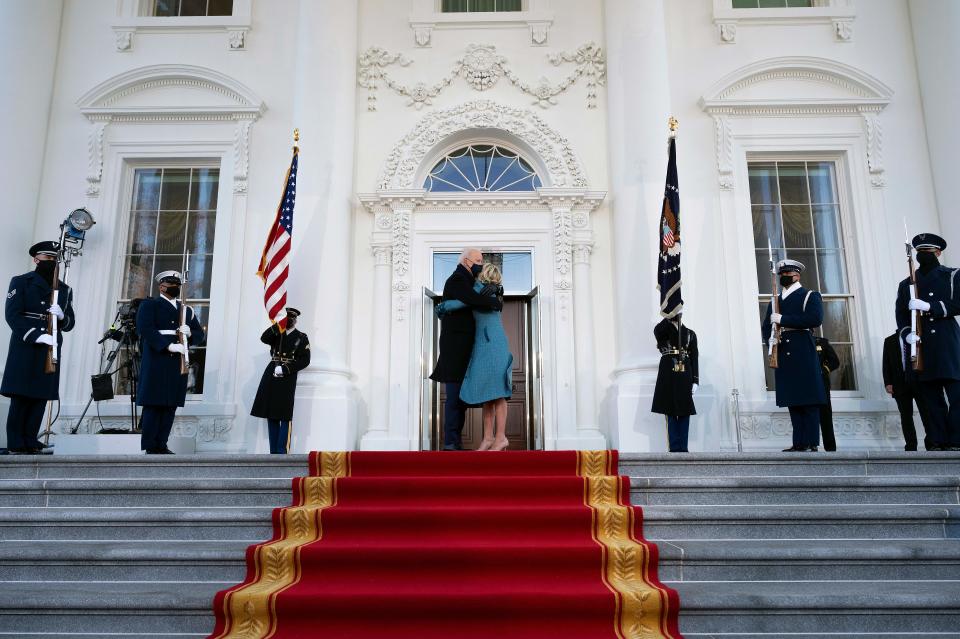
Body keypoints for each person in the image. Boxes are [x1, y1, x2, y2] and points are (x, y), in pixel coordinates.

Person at [1, 241, 75, 454]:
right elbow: (12, 315)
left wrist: (62, 316)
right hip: (26, 344)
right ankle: (16, 441)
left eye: (54, 259)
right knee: (21, 393)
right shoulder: (22, 282)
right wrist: (35, 336)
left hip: (51, 343)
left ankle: (31, 438)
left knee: (41, 393)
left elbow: (70, 322)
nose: (51, 262)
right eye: (47, 258)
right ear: (36, 260)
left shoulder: (64, 289)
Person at [429, 248, 503, 451]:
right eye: (478, 260)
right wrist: (493, 301)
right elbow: (472, 299)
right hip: (455, 348)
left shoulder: (468, 279)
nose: (481, 263)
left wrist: (496, 290)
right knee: (454, 396)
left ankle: (455, 441)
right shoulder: (458, 279)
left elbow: (476, 294)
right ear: (467, 261)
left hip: (465, 348)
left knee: (460, 397)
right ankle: (451, 442)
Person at [895, 232, 960, 450]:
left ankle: (956, 440)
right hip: (922, 345)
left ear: (938, 253)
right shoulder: (907, 284)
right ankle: (939, 440)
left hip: (947, 343)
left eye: (928, 252)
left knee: (957, 396)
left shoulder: (952, 276)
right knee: (931, 399)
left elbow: (957, 304)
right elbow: (901, 314)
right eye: (920, 252)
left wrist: (930, 307)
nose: (923, 255)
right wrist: (907, 334)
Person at [136, 271, 205, 454]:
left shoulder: (186, 310)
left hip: (177, 361)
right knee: (153, 403)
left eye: (177, 284)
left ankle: (162, 443)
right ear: (161, 286)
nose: (174, 286)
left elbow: (199, 335)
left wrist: (189, 334)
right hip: (157, 359)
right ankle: (150, 445)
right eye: (170, 283)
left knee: (169, 404)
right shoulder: (150, 305)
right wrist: (168, 346)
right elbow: (146, 329)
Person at [762, 259, 827, 452]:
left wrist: (784, 319)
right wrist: (771, 341)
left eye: (787, 274)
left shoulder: (809, 295)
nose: (783, 277)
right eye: (781, 274)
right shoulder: (775, 300)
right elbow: (766, 326)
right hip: (783, 351)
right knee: (794, 400)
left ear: (797, 275)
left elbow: (815, 319)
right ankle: (799, 442)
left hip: (802, 350)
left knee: (808, 399)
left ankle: (812, 441)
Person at [250, 307, 310, 454]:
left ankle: (282, 450)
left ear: (295, 320)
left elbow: (305, 360)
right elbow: (264, 338)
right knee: (271, 412)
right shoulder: (278, 333)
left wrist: (286, 369)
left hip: (287, 376)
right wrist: (277, 326)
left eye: (291, 318)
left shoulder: (301, 337)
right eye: (286, 318)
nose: (289, 321)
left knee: (284, 413)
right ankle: (273, 452)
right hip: (272, 372)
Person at [650, 315, 699, 453]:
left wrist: (695, 381)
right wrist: (668, 317)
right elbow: (657, 331)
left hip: (684, 371)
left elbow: (694, 357)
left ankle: (683, 448)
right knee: (669, 409)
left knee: (685, 410)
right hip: (668, 371)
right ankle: (674, 448)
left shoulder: (690, 334)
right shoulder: (663, 330)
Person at [883, 328, 932, 451]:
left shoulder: (919, 335)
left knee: (926, 413)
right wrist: (888, 383)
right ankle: (911, 446)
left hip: (919, 381)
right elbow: (886, 362)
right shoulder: (889, 341)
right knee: (906, 416)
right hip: (900, 383)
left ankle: (931, 442)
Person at [815, 336, 841, 452]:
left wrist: (823, 370)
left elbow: (835, 361)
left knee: (825, 417)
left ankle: (830, 448)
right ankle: (811, 446)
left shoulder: (822, 342)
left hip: (821, 386)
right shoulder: (800, 342)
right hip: (805, 386)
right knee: (809, 417)